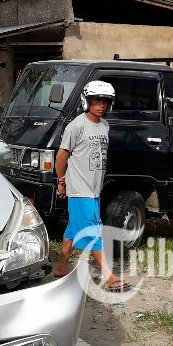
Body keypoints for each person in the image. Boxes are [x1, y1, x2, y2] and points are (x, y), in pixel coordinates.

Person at [50, 80, 128, 291]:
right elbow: (62, 156)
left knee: (74, 227)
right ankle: (108, 276)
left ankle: (60, 266)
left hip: (94, 188)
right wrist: (61, 181)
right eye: (96, 100)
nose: (100, 105)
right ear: (87, 101)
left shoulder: (104, 125)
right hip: (80, 187)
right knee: (92, 230)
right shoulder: (76, 126)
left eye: (105, 101)